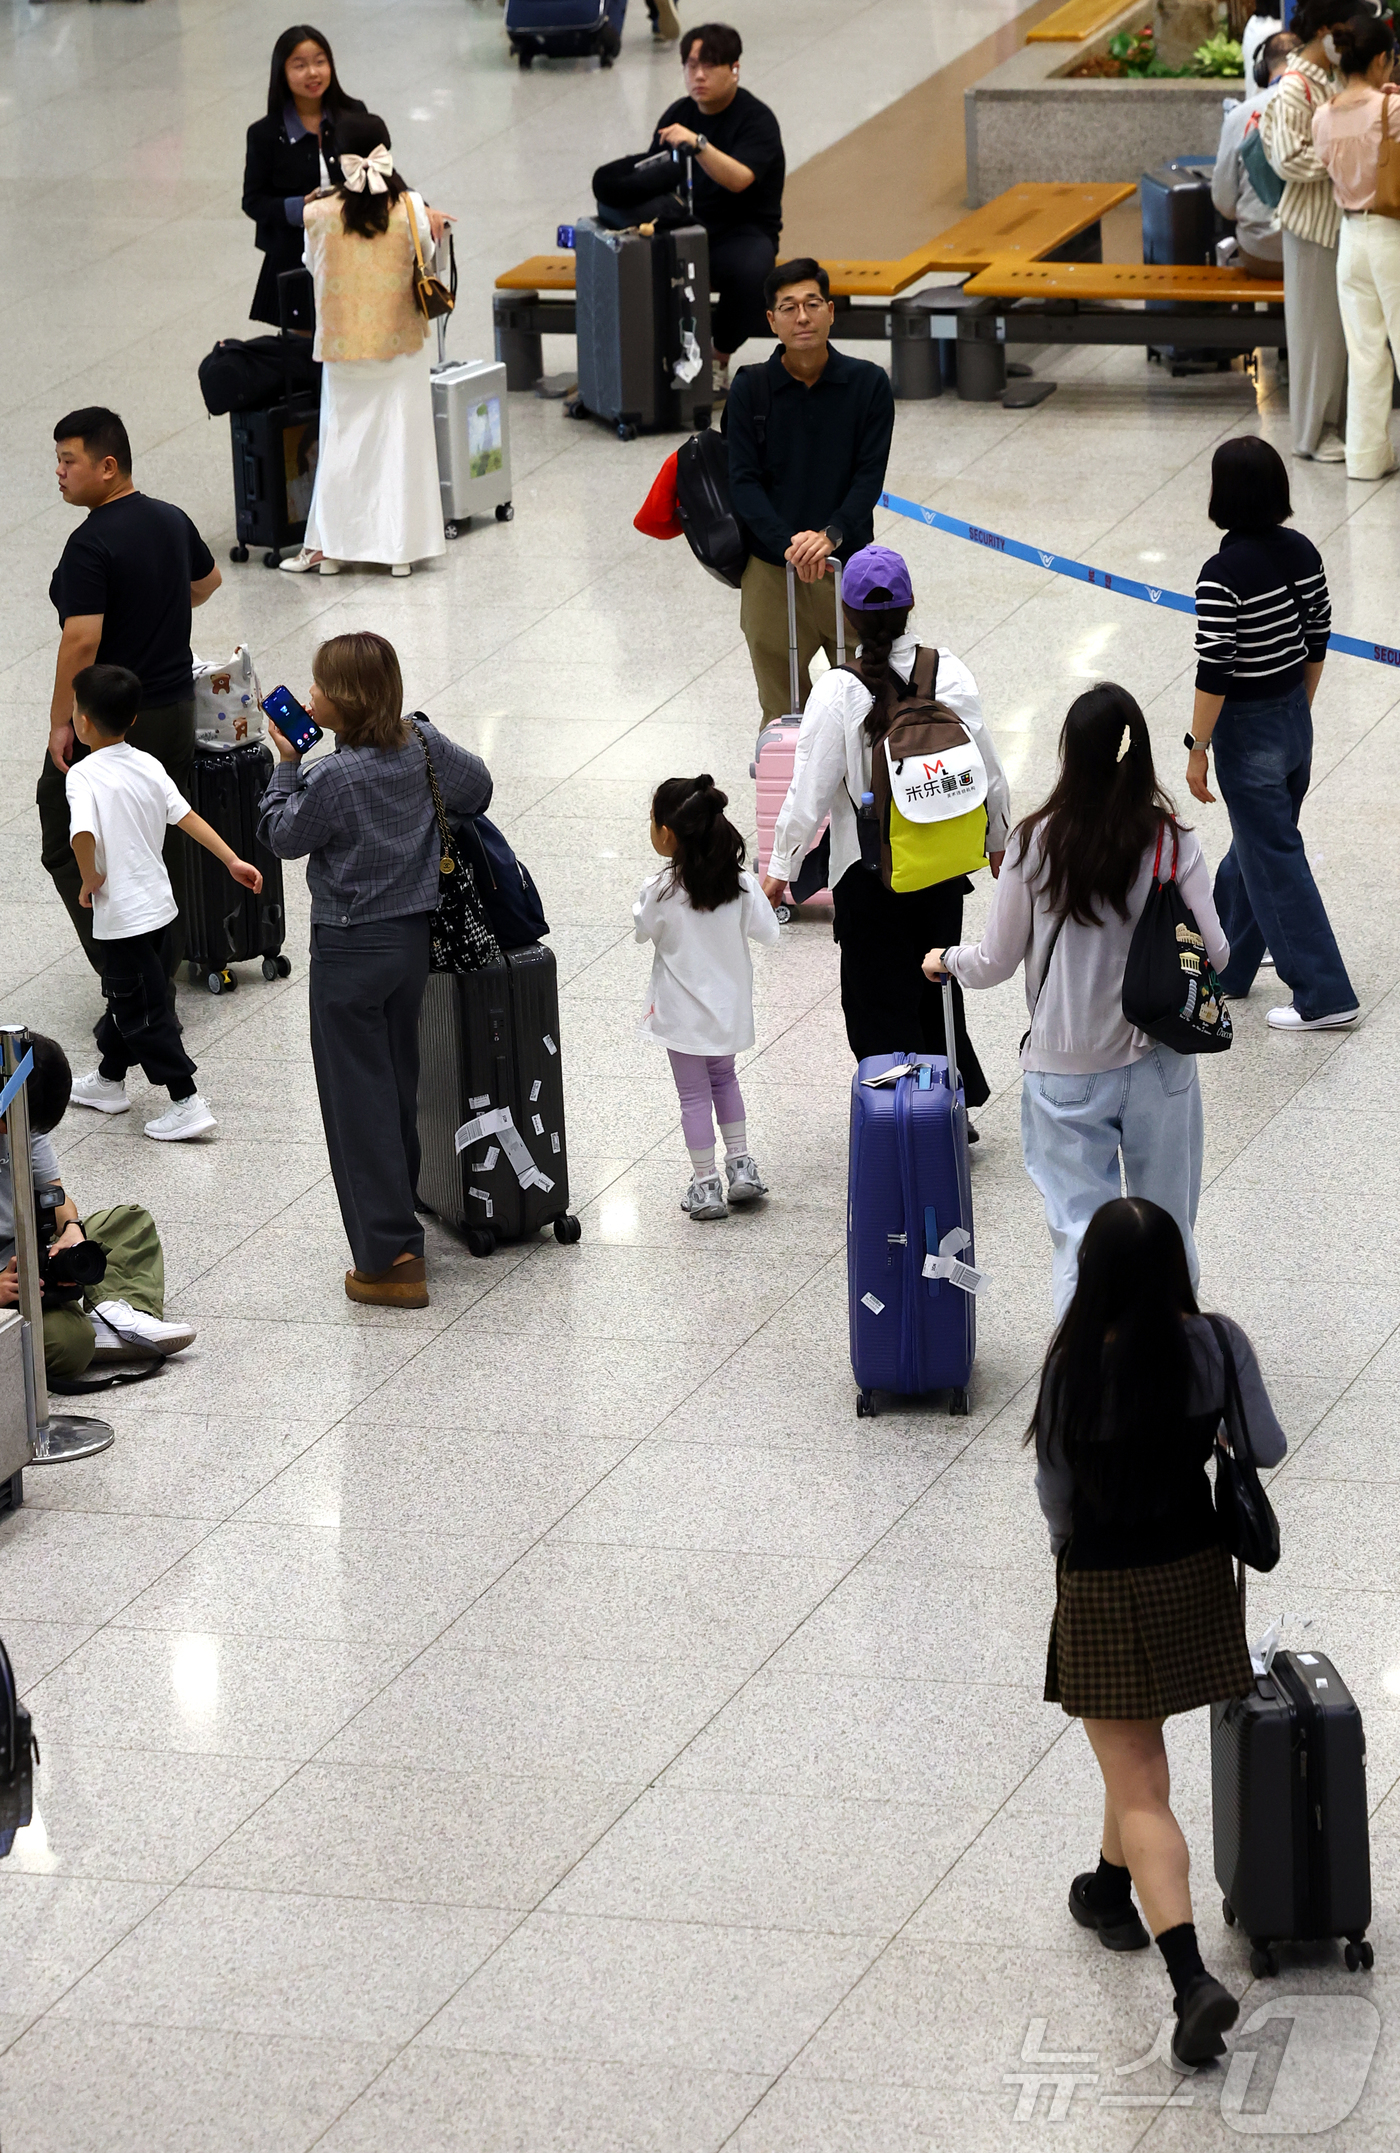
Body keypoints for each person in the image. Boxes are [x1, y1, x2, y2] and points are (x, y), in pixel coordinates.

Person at [1028, 1197, 1287, 2072]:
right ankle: (1108, 1890)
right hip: (1194, 1574)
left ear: (1093, 1274)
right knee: (1134, 1755)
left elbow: (1056, 1491)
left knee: (1140, 1784)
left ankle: (1190, 1982)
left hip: (1105, 1578)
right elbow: (1266, 1445)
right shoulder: (1216, 1342)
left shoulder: (1071, 1365)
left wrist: (1065, 1551)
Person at [924, 683, 1227, 1319]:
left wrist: (946, 960)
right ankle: (1176, 1361)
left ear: (1070, 755)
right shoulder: (1171, 842)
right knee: (1170, 1232)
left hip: (1064, 1068)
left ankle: (1081, 1367)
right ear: (1140, 754)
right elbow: (1218, 955)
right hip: (1160, 1063)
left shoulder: (1036, 842)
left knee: (1079, 1236)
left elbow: (995, 961)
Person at [258, 632, 492, 1306]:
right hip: (410, 945)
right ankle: (403, 1212)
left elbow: (282, 836)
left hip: (349, 950)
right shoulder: (421, 743)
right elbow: (478, 788)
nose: (309, 695)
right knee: (394, 1086)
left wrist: (285, 765)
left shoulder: (331, 777)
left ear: (345, 699)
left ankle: (392, 1261)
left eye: (319, 685)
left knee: (354, 1101)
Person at [761, 543, 1008, 1129]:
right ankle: (949, 1109)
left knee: (875, 997)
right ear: (910, 604)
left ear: (847, 616)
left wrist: (780, 868)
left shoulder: (838, 689)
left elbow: (809, 790)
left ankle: (904, 1117)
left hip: (868, 872)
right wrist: (997, 837)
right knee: (937, 982)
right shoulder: (948, 670)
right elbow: (988, 768)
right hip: (943, 864)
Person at [41, 407, 221, 979]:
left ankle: (128, 973)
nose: (59, 472)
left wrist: (63, 722)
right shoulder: (170, 518)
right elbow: (207, 583)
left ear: (108, 466)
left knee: (63, 833)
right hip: (174, 711)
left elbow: (80, 641)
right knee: (160, 837)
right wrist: (154, 599)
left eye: (69, 461)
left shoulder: (89, 543)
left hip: (113, 720)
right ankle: (163, 966)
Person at [1187, 435, 1357, 1030]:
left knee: (1275, 860)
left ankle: (1324, 995)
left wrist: (1198, 747)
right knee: (1258, 845)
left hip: (1247, 728)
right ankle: (1230, 965)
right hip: (1293, 716)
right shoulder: (1303, 551)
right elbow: (1319, 633)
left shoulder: (1221, 574)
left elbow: (1216, 668)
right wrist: (1298, 709)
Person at [65, 666, 262, 1142]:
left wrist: (90, 878)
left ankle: (186, 1101)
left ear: (83, 721)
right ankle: (109, 1081)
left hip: (123, 919)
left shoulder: (83, 775)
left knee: (143, 1012)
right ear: (133, 719)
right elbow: (188, 817)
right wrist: (232, 859)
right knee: (131, 996)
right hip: (160, 911)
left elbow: (81, 833)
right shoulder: (149, 764)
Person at [726, 260, 896, 730]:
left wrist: (830, 535)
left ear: (831, 311)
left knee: (869, 704)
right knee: (781, 713)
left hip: (848, 565)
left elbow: (868, 477)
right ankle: (791, 782)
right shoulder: (750, 388)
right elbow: (743, 481)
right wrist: (790, 544)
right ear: (771, 320)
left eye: (812, 304)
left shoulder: (867, 384)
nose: (802, 317)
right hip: (771, 571)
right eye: (788, 307)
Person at [284, 115, 449, 578]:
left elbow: (312, 264)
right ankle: (401, 550)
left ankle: (333, 549)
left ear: (337, 158)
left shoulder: (318, 212)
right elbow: (426, 255)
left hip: (342, 344)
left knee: (342, 444)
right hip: (401, 342)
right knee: (401, 442)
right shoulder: (411, 205)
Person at [0, 1034, 198, 1380]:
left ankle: (113, 1315)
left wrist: (71, 1230)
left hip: (25, 1248)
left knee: (130, 1223)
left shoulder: (22, 1111)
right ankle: (91, 1331)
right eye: (9, 1126)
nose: (17, 1134)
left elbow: (54, 1193)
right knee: (68, 1346)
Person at [635, 775, 778, 1221]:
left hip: (681, 1016)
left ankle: (705, 1184)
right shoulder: (740, 884)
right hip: (727, 1012)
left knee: (693, 1097)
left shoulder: (660, 890)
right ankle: (741, 1165)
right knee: (725, 1080)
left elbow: (642, 931)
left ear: (667, 834)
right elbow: (769, 932)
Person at [650, 24, 785, 395]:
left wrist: (699, 145)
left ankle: (717, 357)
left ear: (734, 69)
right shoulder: (677, 115)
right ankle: (652, 359)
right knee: (632, 260)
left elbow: (739, 178)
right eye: (691, 66)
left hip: (743, 232)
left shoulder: (756, 119)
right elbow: (652, 176)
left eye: (709, 66)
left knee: (752, 272)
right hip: (688, 226)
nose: (698, 76)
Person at [1259, 0, 1355, 460]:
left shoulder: (1332, 77)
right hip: (1310, 226)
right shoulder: (1295, 86)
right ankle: (1311, 436)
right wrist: (1348, 156)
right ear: (1323, 31)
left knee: (1335, 337)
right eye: (1343, 30)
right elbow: (1288, 158)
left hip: (1337, 222)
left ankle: (1332, 427)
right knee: (1314, 337)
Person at [1313, 12, 1400, 479]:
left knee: (1365, 353)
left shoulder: (1323, 116)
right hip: (1392, 236)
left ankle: (1366, 459)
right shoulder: (1393, 109)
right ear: (1381, 59)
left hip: (1350, 239)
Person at [241, 23, 366, 328]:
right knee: (303, 348)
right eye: (300, 65)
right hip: (295, 257)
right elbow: (253, 201)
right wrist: (301, 207)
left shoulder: (354, 116)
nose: (313, 73)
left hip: (353, 249)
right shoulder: (264, 134)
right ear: (282, 73)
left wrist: (420, 209)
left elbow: (381, 172)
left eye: (320, 62)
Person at [1211, 29, 1300, 275]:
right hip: (1313, 255)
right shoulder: (1324, 108)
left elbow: (1224, 203)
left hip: (1260, 254)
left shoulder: (1240, 116)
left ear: (1261, 71)